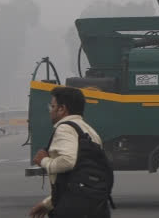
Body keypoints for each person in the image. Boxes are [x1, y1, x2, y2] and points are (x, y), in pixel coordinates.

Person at [28, 87, 109, 218]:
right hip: (97, 205)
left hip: (73, 209)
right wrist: (48, 204)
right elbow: (78, 177)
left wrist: (43, 161)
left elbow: (68, 161)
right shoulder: (89, 131)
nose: (50, 111)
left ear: (62, 109)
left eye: (52, 106)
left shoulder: (65, 128)